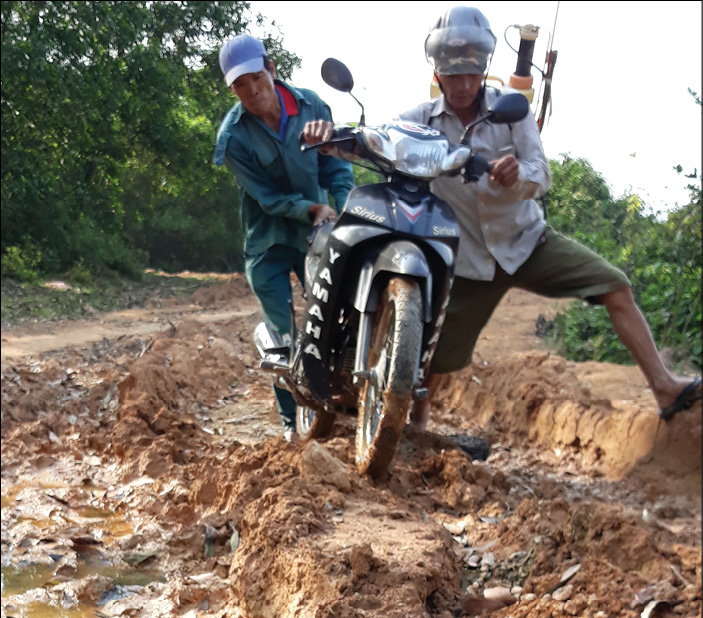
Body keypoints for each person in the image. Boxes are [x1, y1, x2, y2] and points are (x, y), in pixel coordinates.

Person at [303, 7, 701, 430]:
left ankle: (664, 387)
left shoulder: (513, 112)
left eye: (470, 74)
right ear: (437, 73)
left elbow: (541, 174)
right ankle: (414, 425)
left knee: (615, 286)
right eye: (452, 75)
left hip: (527, 242)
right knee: (429, 351)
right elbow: (378, 140)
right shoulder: (419, 120)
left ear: (483, 69)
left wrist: (517, 176)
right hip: (467, 261)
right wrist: (331, 141)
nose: (462, 84)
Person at [214, 34, 355, 443]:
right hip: (268, 244)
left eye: (257, 78)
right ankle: (292, 424)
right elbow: (268, 198)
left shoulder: (312, 106)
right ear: (232, 88)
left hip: (318, 237)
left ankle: (336, 407)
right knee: (285, 337)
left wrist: (344, 207)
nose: (252, 91)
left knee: (329, 323)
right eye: (240, 85)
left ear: (271, 69)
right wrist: (310, 208)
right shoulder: (233, 138)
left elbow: (337, 169)